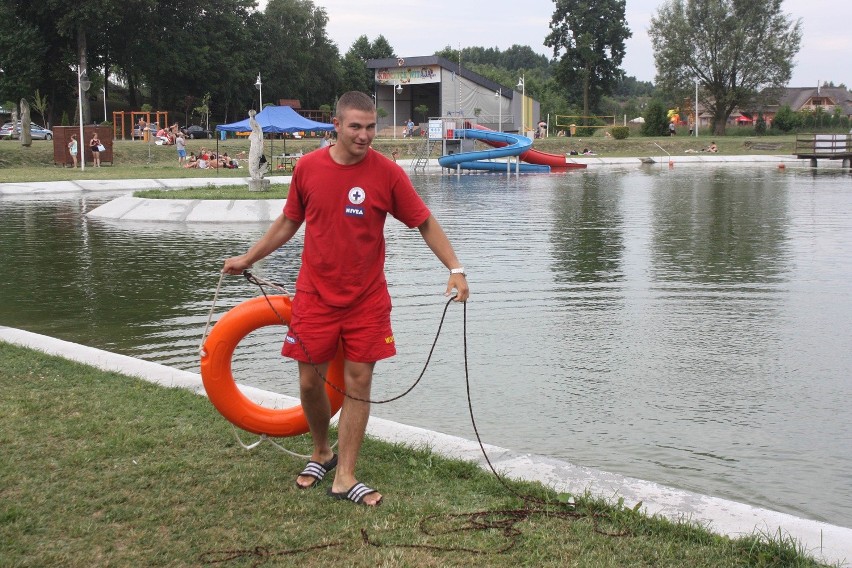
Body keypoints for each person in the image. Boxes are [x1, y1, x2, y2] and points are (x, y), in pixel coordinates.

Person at [222, 91, 469, 507]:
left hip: (367, 300)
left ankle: (346, 474)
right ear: (335, 125)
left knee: (359, 383)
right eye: (356, 126)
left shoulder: (387, 174)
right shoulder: (308, 168)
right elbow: (288, 221)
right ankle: (322, 451)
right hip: (314, 296)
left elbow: (424, 221)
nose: (365, 135)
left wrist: (456, 269)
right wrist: (249, 257)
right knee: (308, 381)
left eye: (371, 127)